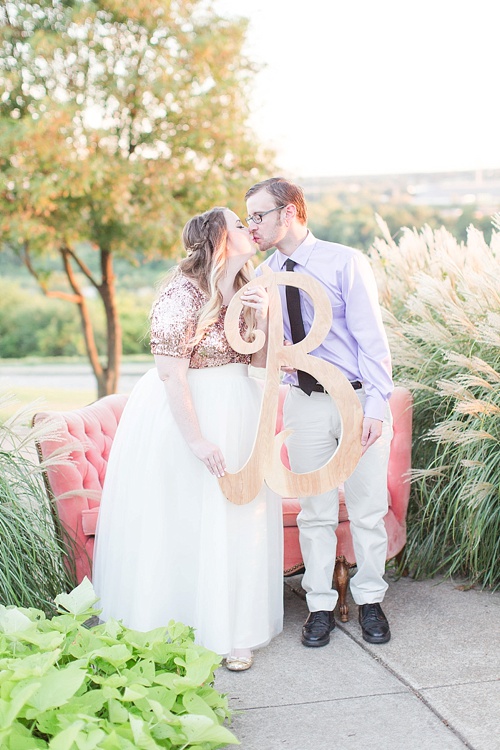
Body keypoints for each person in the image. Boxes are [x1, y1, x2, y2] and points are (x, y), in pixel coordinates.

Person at [93, 207, 283, 671]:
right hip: (185, 416)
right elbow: (170, 375)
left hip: (238, 411)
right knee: (184, 519)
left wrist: (266, 321)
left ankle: (234, 629)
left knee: (238, 519)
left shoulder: (246, 288)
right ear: (219, 238)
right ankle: (177, 624)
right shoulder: (181, 294)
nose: (249, 228)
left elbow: (260, 363)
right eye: (240, 223)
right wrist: (197, 440)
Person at [245, 177, 394, 647]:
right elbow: (265, 351)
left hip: (357, 404)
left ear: (288, 213)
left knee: (369, 509)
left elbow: (373, 342)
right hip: (303, 404)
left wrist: (376, 405)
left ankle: (371, 601)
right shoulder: (263, 274)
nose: (252, 225)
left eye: (258, 215)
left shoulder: (345, 261)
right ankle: (319, 607)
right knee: (315, 510)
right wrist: (251, 315)